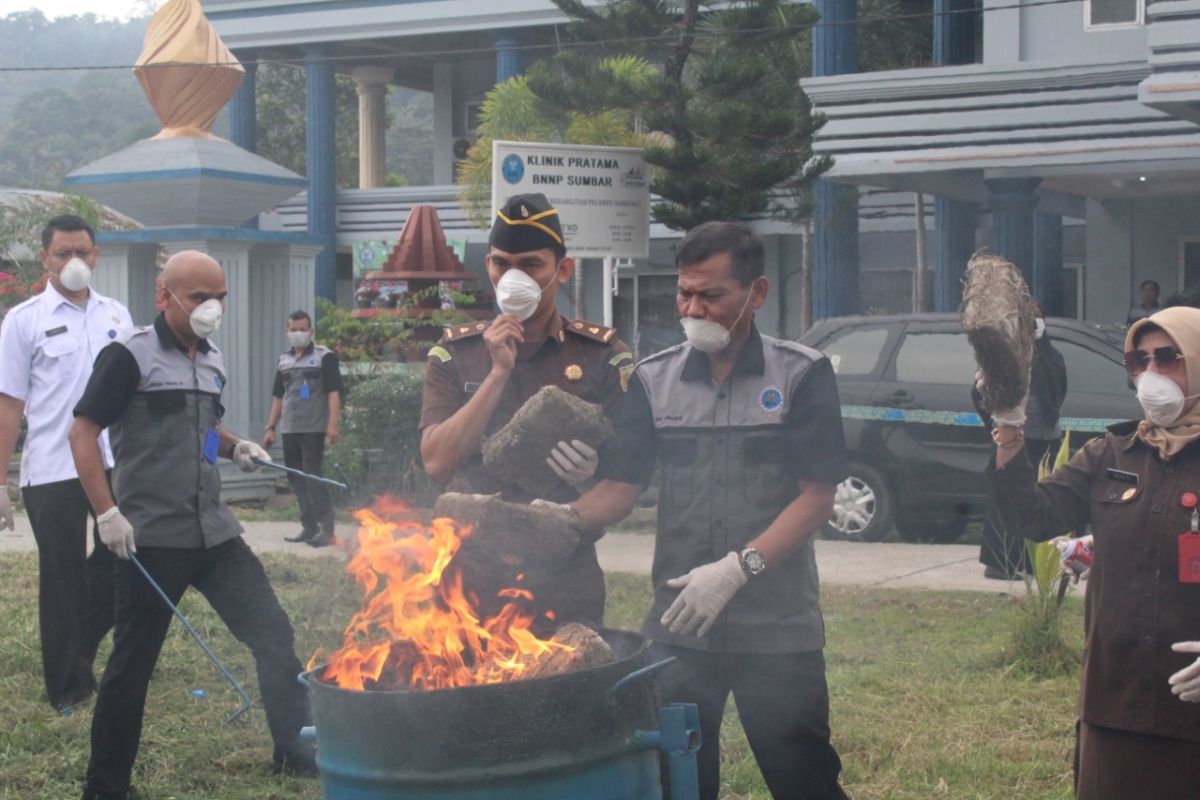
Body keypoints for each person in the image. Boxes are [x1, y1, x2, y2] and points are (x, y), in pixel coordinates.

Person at [572, 222, 850, 800]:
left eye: (712, 295)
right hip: (680, 628)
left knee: (804, 779)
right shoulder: (652, 381)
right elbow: (620, 489)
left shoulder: (801, 375)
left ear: (758, 292)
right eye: (684, 294)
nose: (694, 309)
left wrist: (736, 570)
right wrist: (555, 519)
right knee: (680, 782)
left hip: (778, 630)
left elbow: (817, 497)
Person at [68, 251, 315, 800]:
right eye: (200, 297)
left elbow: (204, 428)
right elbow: (83, 432)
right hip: (149, 537)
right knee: (133, 665)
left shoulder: (213, 359)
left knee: (273, 634)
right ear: (165, 297)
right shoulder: (128, 356)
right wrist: (106, 513)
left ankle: (295, 751)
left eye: (219, 298)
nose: (212, 308)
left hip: (215, 532)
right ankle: (105, 789)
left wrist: (235, 446)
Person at [986, 305, 1200, 798]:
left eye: (1168, 358)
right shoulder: (1111, 454)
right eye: (1139, 362)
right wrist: (1010, 431)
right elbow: (1032, 517)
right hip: (1116, 695)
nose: (1151, 375)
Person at [419, 192, 632, 630]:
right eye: (501, 264)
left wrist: (580, 498)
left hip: (563, 574)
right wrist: (497, 374)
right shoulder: (454, 353)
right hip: (469, 574)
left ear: (563, 269)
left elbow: (627, 480)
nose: (513, 278)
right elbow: (438, 461)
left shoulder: (601, 354)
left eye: (531, 265)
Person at [0, 214, 133, 712]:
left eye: (83, 252)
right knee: (62, 580)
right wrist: (1, 482)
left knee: (121, 567)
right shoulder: (23, 321)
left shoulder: (117, 316)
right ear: (45, 259)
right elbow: (9, 404)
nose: (75, 262)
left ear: (96, 255)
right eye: (63, 254)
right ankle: (69, 689)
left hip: (111, 463)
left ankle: (84, 649)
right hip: (52, 470)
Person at [974, 301, 1068, 579]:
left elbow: (1059, 389)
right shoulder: (1006, 356)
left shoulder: (1051, 355)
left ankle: (1032, 562)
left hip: (1046, 436)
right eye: (1028, 317)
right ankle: (1000, 562)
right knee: (1008, 494)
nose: (1034, 322)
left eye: (1038, 316)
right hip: (1014, 439)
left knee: (1039, 500)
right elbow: (986, 393)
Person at [262, 309, 344, 547]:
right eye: (293, 329)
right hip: (289, 428)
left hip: (313, 428)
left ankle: (327, 530)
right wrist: (270, 427)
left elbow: (333, 392)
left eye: (302, 329)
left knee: (312, 475)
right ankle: (309, 527)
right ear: (286, 331)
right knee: (296, 478)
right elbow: (278, 396)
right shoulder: (283, 360)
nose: (298, 333)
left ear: (312, 331)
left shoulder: (324, 357)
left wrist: (333, 424)